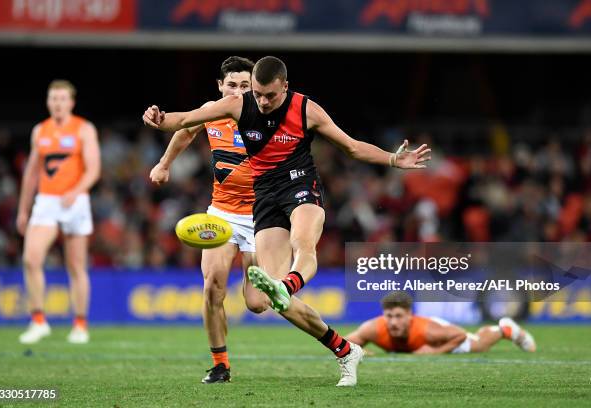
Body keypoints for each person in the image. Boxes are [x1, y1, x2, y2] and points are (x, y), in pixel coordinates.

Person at [142, 56, 431, 386]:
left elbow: (351, 147)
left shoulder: (306, 110)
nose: (262, 102)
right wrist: (159, 119)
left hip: (299, 186)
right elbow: (185, 121)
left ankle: (288, 284)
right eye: (258, 95)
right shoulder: (237, 106)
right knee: (268, 303)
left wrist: (393, 158)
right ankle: (344, 349)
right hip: (260, 200)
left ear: (285, 87)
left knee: (302, 246)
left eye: (268, 95)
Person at [149, 56, 269, 384]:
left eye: (245, 86)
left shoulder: (270, 117)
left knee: (257, 304)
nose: (238, 91)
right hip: (223, 213)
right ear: (220, 86)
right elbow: (186, 130)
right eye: (232, 85)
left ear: (255, 87)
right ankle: (220, 364)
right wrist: (164, 164)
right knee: (212, 287)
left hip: (262, 216)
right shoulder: (213, 111)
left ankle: (259, 277)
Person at [16, 80, 101, 344]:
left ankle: (80, 324)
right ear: (48, 102)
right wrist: (23, 210)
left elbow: (93, 169)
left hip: (75, 201)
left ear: (71, 102)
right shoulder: (40, 131)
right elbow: (31, 173)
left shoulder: (84, 129)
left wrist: (76, 191)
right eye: (53, 99)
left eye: (62, 99)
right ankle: (38, 320)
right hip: (47, 201)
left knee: (75, 265)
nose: (57, 103)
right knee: (31, 258)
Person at [346, 291, 536, 354]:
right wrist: (359, 352)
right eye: (389, 316)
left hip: (437, 340)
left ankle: (505, 329)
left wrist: (435, 352)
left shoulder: (427, 331)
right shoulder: (373, 329)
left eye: (398, 316)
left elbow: (459, 335)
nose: (393, 322)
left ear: (409, 315)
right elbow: (344, 342)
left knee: (477, 344)